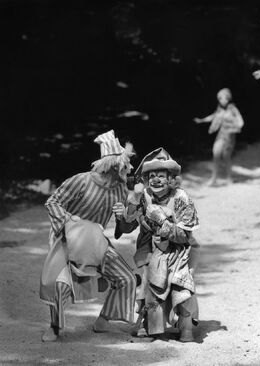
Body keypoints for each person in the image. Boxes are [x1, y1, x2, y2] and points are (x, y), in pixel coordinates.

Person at [40, 130, 137, 342]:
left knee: (126, 278)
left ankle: (103, 321)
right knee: (57, 283)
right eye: (124, 165)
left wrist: (122, 218)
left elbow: (123, 230)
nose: (128, 169)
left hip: (95, 242)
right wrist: (69, 222)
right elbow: (53, 202)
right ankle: (55, 327)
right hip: (67, 238)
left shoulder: (121, 189)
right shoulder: (82, 181)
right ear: (113, 165)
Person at [114, 148, 200, 342]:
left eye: (161, 176)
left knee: (180, 283)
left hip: (178, 249)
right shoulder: (143, 196)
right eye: (152, 176)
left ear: (170, 178)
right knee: (147, 278)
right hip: (149, 248)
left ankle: (186, 328)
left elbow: (184, 235)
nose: (156, 180)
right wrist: (122, 215)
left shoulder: (182, 198)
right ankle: (151, 324)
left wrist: (162, 221)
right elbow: (128, 227)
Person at [194, 88, 244, 186]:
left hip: (230, 136)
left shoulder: (233, 109)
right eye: (219, 98)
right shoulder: (219, 109)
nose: (221, 100)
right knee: (216, 154)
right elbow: (213, 116)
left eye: (223, 98)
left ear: (228, 98)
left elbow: (240, 120)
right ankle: (213, 179)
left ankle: (229, 179)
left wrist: (237, 127)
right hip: (221, 135)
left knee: (226, 157)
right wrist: (202, 120)